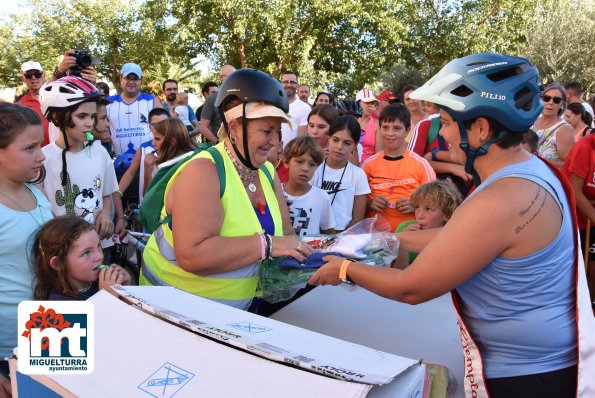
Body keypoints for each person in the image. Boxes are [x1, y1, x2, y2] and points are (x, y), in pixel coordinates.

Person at [310, 53, 595, 397]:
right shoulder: (530, 171)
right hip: (546, 362)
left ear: (481, 129)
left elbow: (411, 288)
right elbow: (462, 237)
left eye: (444, 122)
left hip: (525, 377)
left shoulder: (500, 198)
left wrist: (344, 270)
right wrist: (391, 241)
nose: (441, 135)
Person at [140, 68, 313, 311]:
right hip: (175, 313)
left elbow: (285, 233)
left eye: (278, 131)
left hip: (232, 314)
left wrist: (319, 256)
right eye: (266, 131)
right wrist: (269, 245)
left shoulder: (266, 171)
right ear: (234, 126)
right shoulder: (204, 171)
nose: (275, 141)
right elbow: (193, 255)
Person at [0, 103, 53, 389]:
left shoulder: (35, 191)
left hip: (50, 328)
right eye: (30, 148)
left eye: (40, 145)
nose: (42, 155)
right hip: (8, 347)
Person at [40, 76, 119, 248]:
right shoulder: (42, 158)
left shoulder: (100, 153)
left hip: (98, 245)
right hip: (63, 248)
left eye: (92, 116)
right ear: (58, 117)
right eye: (82, 116)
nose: (90, 123)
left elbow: (107, 195)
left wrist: (106, 214)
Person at [363, 103, 436, 232]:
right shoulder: (368, 165)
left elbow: (435, 205)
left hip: (410, 240)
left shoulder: (421, 165)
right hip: (374, 239)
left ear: (407, 130)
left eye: (397, 128)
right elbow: (356, 203)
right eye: (385, 127)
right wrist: (370, 204)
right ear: (379, 129)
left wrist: (416, 207)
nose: (390, 133)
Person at [32, 216, 131, 301]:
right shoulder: (58, 303)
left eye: (98, 246)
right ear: (58, 264)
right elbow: (95, 322)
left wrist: (125, 294)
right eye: (86, 253)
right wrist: (106, 298)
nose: (99, 256)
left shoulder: (99, 282)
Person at [310, 116, 370, 232]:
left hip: (343, 236)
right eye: (335, 140)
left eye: (347, 143)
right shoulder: (314, 168)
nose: (339, 147)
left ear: (355, 145)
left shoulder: (358, 175)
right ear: (328, 138)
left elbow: (358, 218)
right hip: (313, 233)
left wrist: (341, 239)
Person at [393, 180, 462, 269]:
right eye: (417, 207)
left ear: (447, 215)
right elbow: (398, 273)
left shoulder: (453, 235)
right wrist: (403, 246)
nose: (420, 216)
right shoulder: (403, 228)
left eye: (428, 209)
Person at [282, 136, 335, 236]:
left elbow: (329, 233)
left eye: (312, 164)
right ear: (286, 162)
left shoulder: (321, 197)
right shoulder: (274, 193)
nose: (305, 168)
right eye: (300, 161)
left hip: (311, 251)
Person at [107, 63, 163, 156]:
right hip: (120, 163)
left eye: (135, 79)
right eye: (128, 78)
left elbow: (165, 129)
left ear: (141, 80)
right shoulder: (109, 103)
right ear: (121, 78)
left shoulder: (152, 101)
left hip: (149, 160)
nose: (131, 82)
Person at [118, 108, 170, 203]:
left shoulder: (176, 149)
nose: (159, 127)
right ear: (150, 127)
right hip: (145, 205)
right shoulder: (143, 149)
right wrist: (118, 193)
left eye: (164, 123)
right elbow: (130, 173)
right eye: (155, 124)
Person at [563, 133, 595, 273]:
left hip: (590, 219)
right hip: (577, 220)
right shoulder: (585, 146)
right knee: (587, 270)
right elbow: (575, 191)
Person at [531, 82, 574, 168]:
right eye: (546, 98)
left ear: (562, 104)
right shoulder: (532, 120)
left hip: (544, 178)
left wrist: (538, 160)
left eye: (556, 100)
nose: (550, 102)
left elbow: (568, 163)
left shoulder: (564, 129)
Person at [198, 64, 236, 144]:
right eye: (230, 76)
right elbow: (203, 127)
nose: (234, 79)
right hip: (223, 145)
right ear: (221, 78)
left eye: (235, 76)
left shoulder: (240, 96)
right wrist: (218, 143)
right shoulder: (212, 99)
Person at [16, 61, 50, 146]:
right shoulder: (20, 105)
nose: (33, 78)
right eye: (28, 75)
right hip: (38, 155)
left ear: (43, 75)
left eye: (37, 74)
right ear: (23, 79)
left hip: (62, 152)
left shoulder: (57, 96)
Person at [280, 70, 311, 147]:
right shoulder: (273, 104)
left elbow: (301, 141)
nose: (289, 85)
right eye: (285, 82)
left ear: (297, 85)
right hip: (270, 156)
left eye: (292, 82)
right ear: (280, 84)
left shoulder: (305, 108)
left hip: (291, 156)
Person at [356, 88, 379, 163]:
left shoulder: (377, 124)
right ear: (358, 103)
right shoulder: (348, 121)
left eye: (372, 103)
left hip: (369, 169)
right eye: (367, 102)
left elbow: (378, 154)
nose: (370, 106)